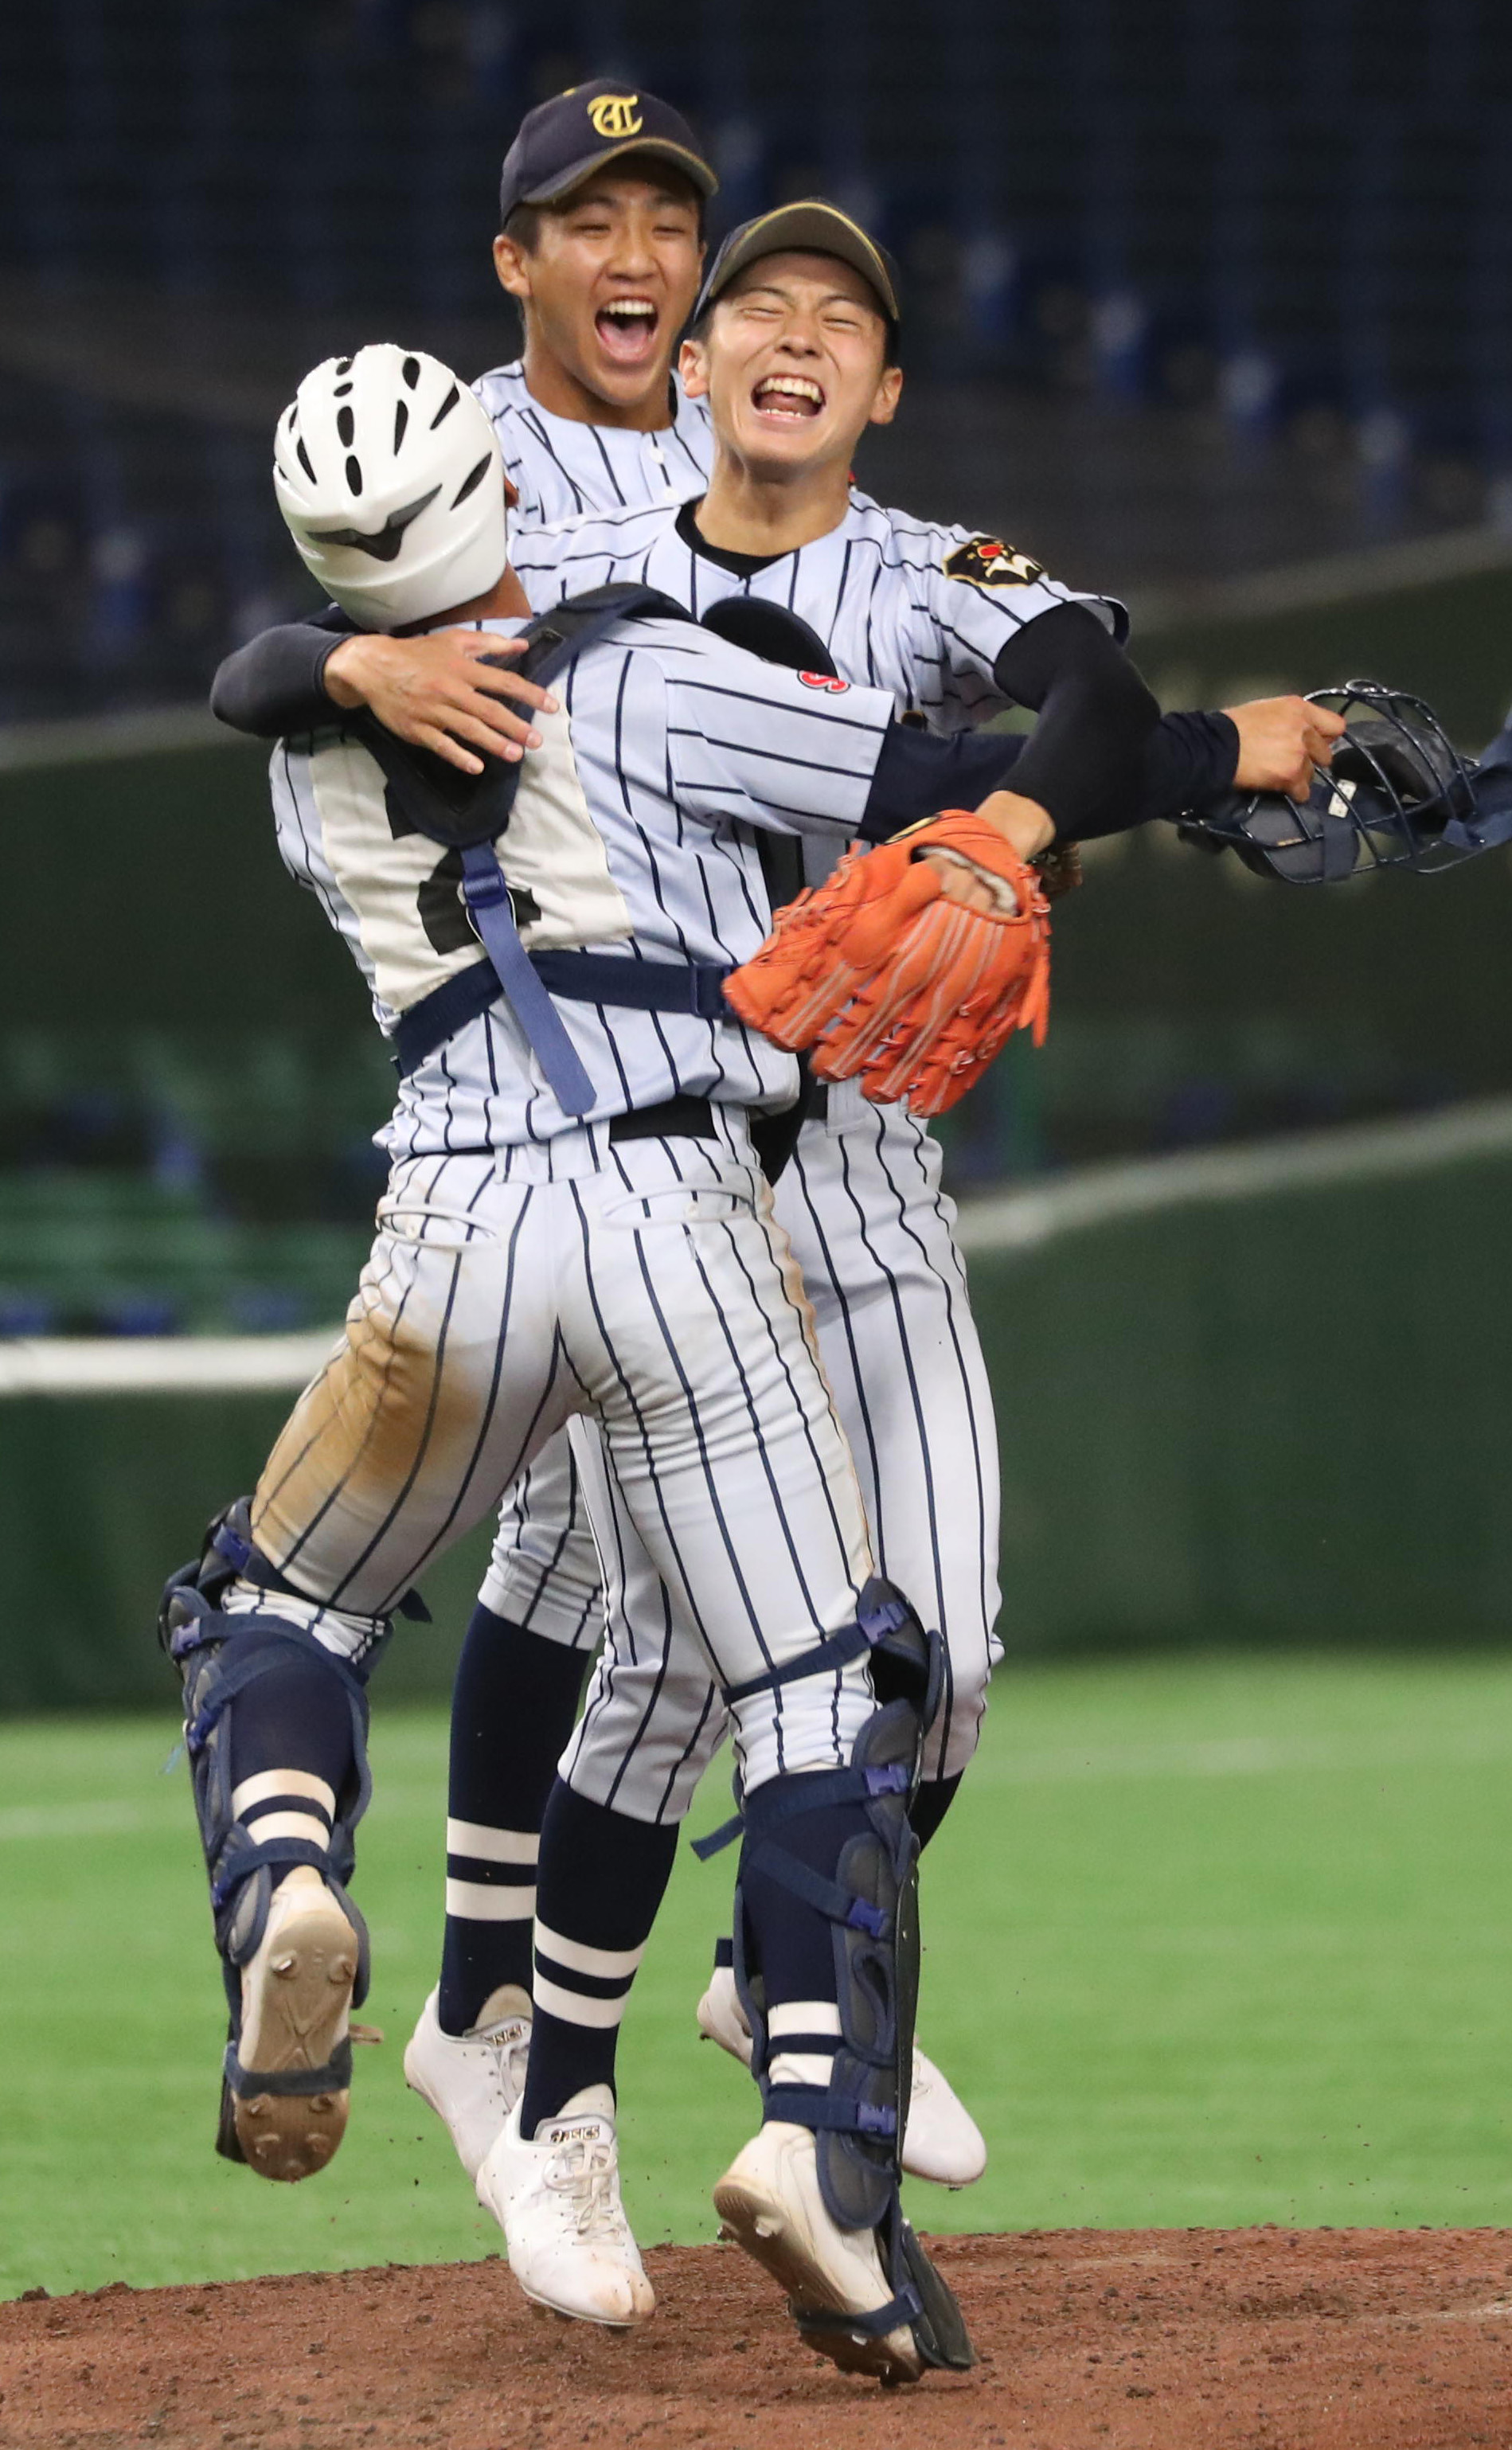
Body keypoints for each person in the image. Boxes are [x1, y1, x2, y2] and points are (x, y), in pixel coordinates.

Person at [212, 187, 1341, 2244]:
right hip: (672, 1174)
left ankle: (735, 1978)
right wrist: (1160, 774)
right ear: (700, 370)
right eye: (757, 306)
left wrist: (1020, 823)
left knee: (936, 1665)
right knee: (658, 1655)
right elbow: (277, 654)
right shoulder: (594, 601)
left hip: (814, 1169)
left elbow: (1058, 701)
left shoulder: (904, 563)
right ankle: (549, 2076)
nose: (786, 332)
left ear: (881, 383)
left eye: (835, 313)